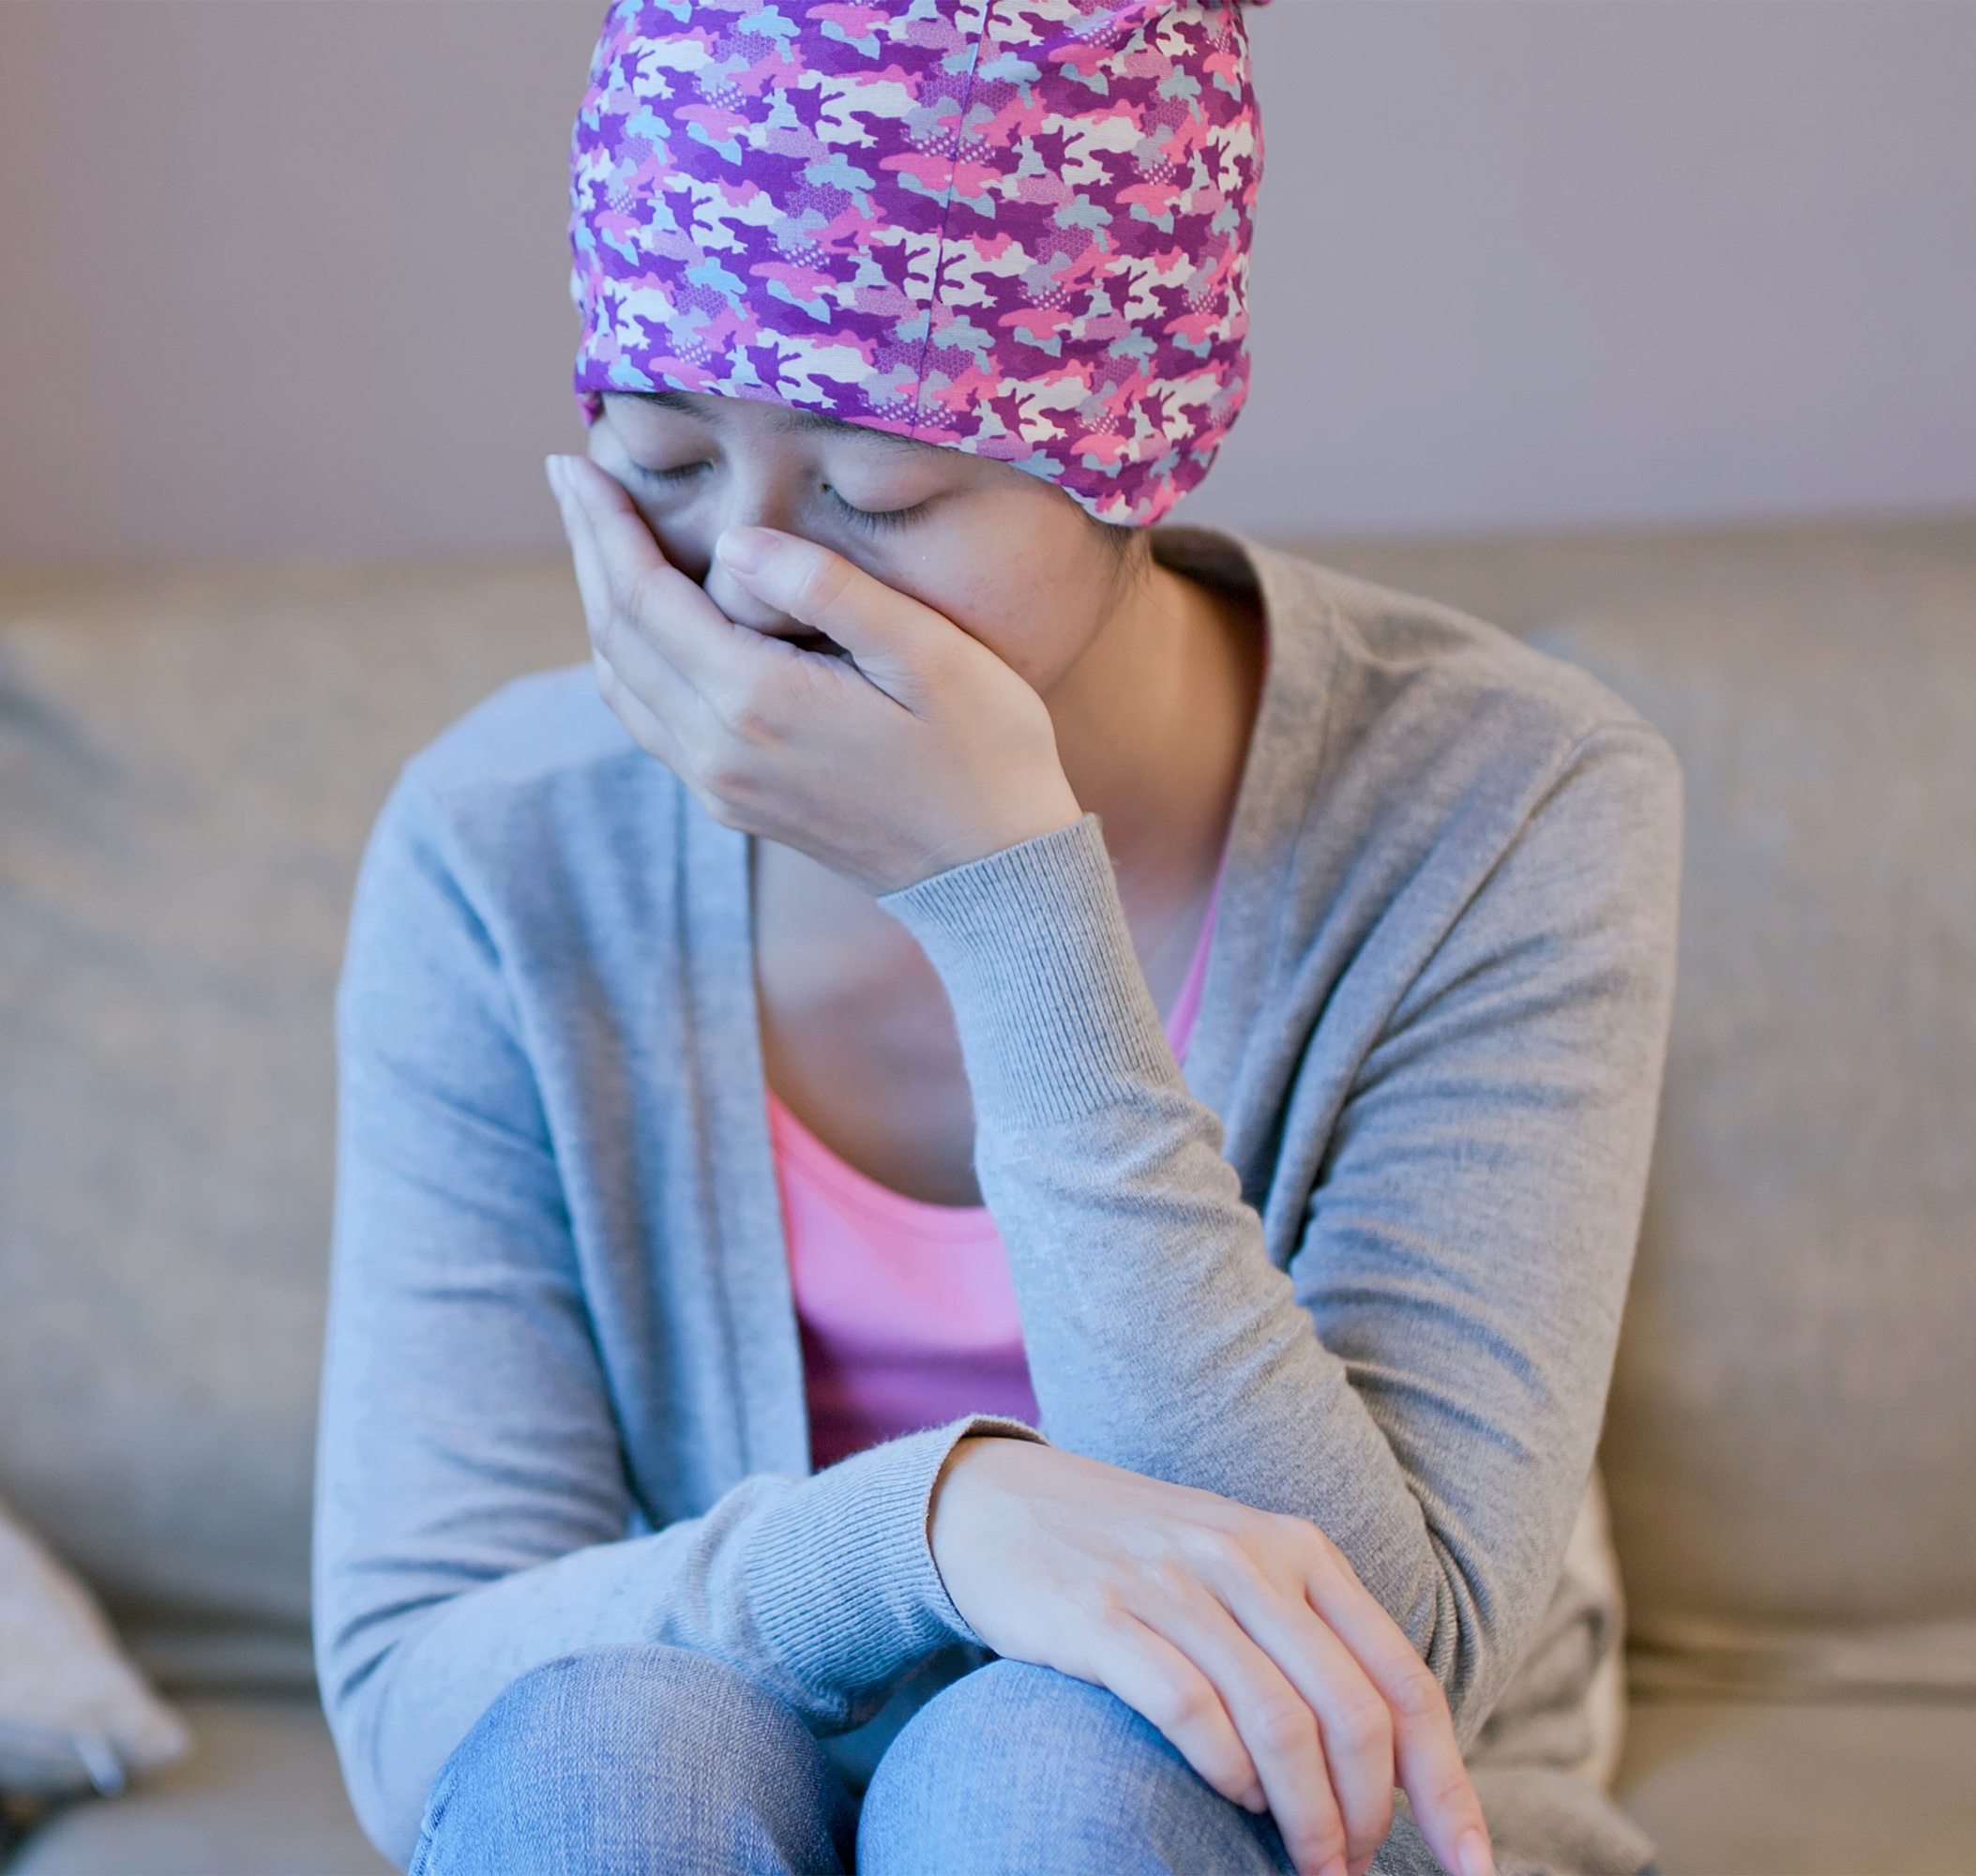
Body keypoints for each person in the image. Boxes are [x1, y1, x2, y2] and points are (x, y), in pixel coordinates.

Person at [310, 2, 1682, 1872]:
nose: (753, 582)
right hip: (701, 1760)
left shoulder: (1500, 801)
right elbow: (416, 1692)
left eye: (883, 492)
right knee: (594, 1757)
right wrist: (940, 1525)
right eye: (664, 456)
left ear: (1135, 445)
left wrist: (1013, 912)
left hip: (1252, 1811)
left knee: (1041, 1776)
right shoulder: (499, 851)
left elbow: (1380, 1671)